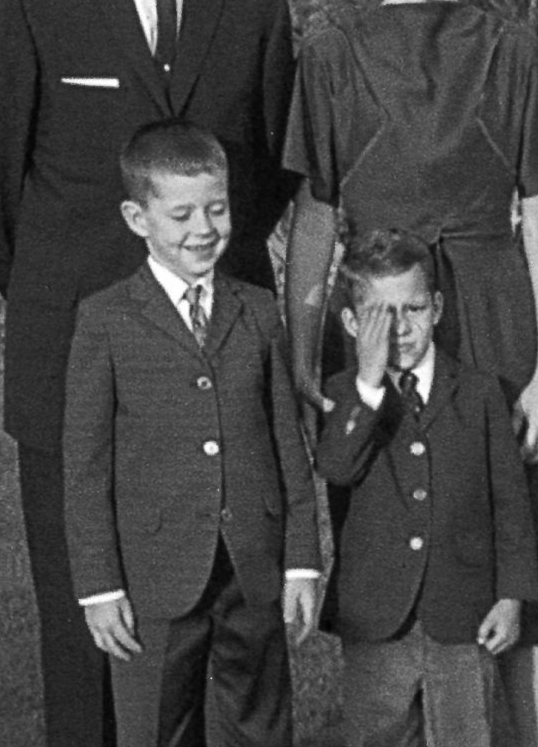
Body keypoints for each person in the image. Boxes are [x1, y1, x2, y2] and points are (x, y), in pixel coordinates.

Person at [0, 0, 296, 747]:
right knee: (88, 649)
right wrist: (69, 298)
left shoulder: (255, 8)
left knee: (223, 646)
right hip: (72, 373)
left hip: (216, 376)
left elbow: (266, 181)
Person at [283, 0, 538, 746]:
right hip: (377, 324)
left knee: (521, 560)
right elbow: (313, 218)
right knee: (387, 555)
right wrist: (308, 357)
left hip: (493, 321)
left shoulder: (512, 52)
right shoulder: (332, 54)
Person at [63, 119, 321, 747]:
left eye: (216, 209)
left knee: (259, 727)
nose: (203, 230)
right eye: (181, 215)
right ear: (136, 217)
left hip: (250, 566)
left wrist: (302, 564)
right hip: (155, 574)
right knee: (154, 729)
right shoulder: (105, 320)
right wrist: (100, 586)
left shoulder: (256, 310)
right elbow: (85, 467)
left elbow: (287, 445)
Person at [316, 229, 538, 747]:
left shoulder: (480, 393)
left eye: (413, 309)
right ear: (351, 322)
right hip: (376, 616)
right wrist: (368, 385)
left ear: (437, 308)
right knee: (379, 735)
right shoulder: (344, 395)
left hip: (463, 610)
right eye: (380, 315)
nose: (400, 327)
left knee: (465, 734)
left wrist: (512, 596)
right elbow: (336, 467)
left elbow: (510, 504)